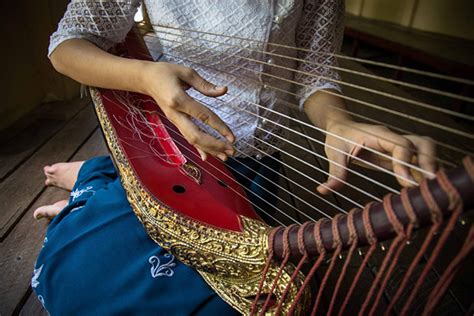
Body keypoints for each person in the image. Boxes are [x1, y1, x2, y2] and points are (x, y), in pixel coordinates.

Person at [32, 0, 436, 314]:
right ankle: (93, 188)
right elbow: (67, 47)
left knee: (234, 294)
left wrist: (339, 124)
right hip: (173, 151)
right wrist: (146, 76)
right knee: (84, 285)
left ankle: (96, 190)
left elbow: (314, 70)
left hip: (261, 159)